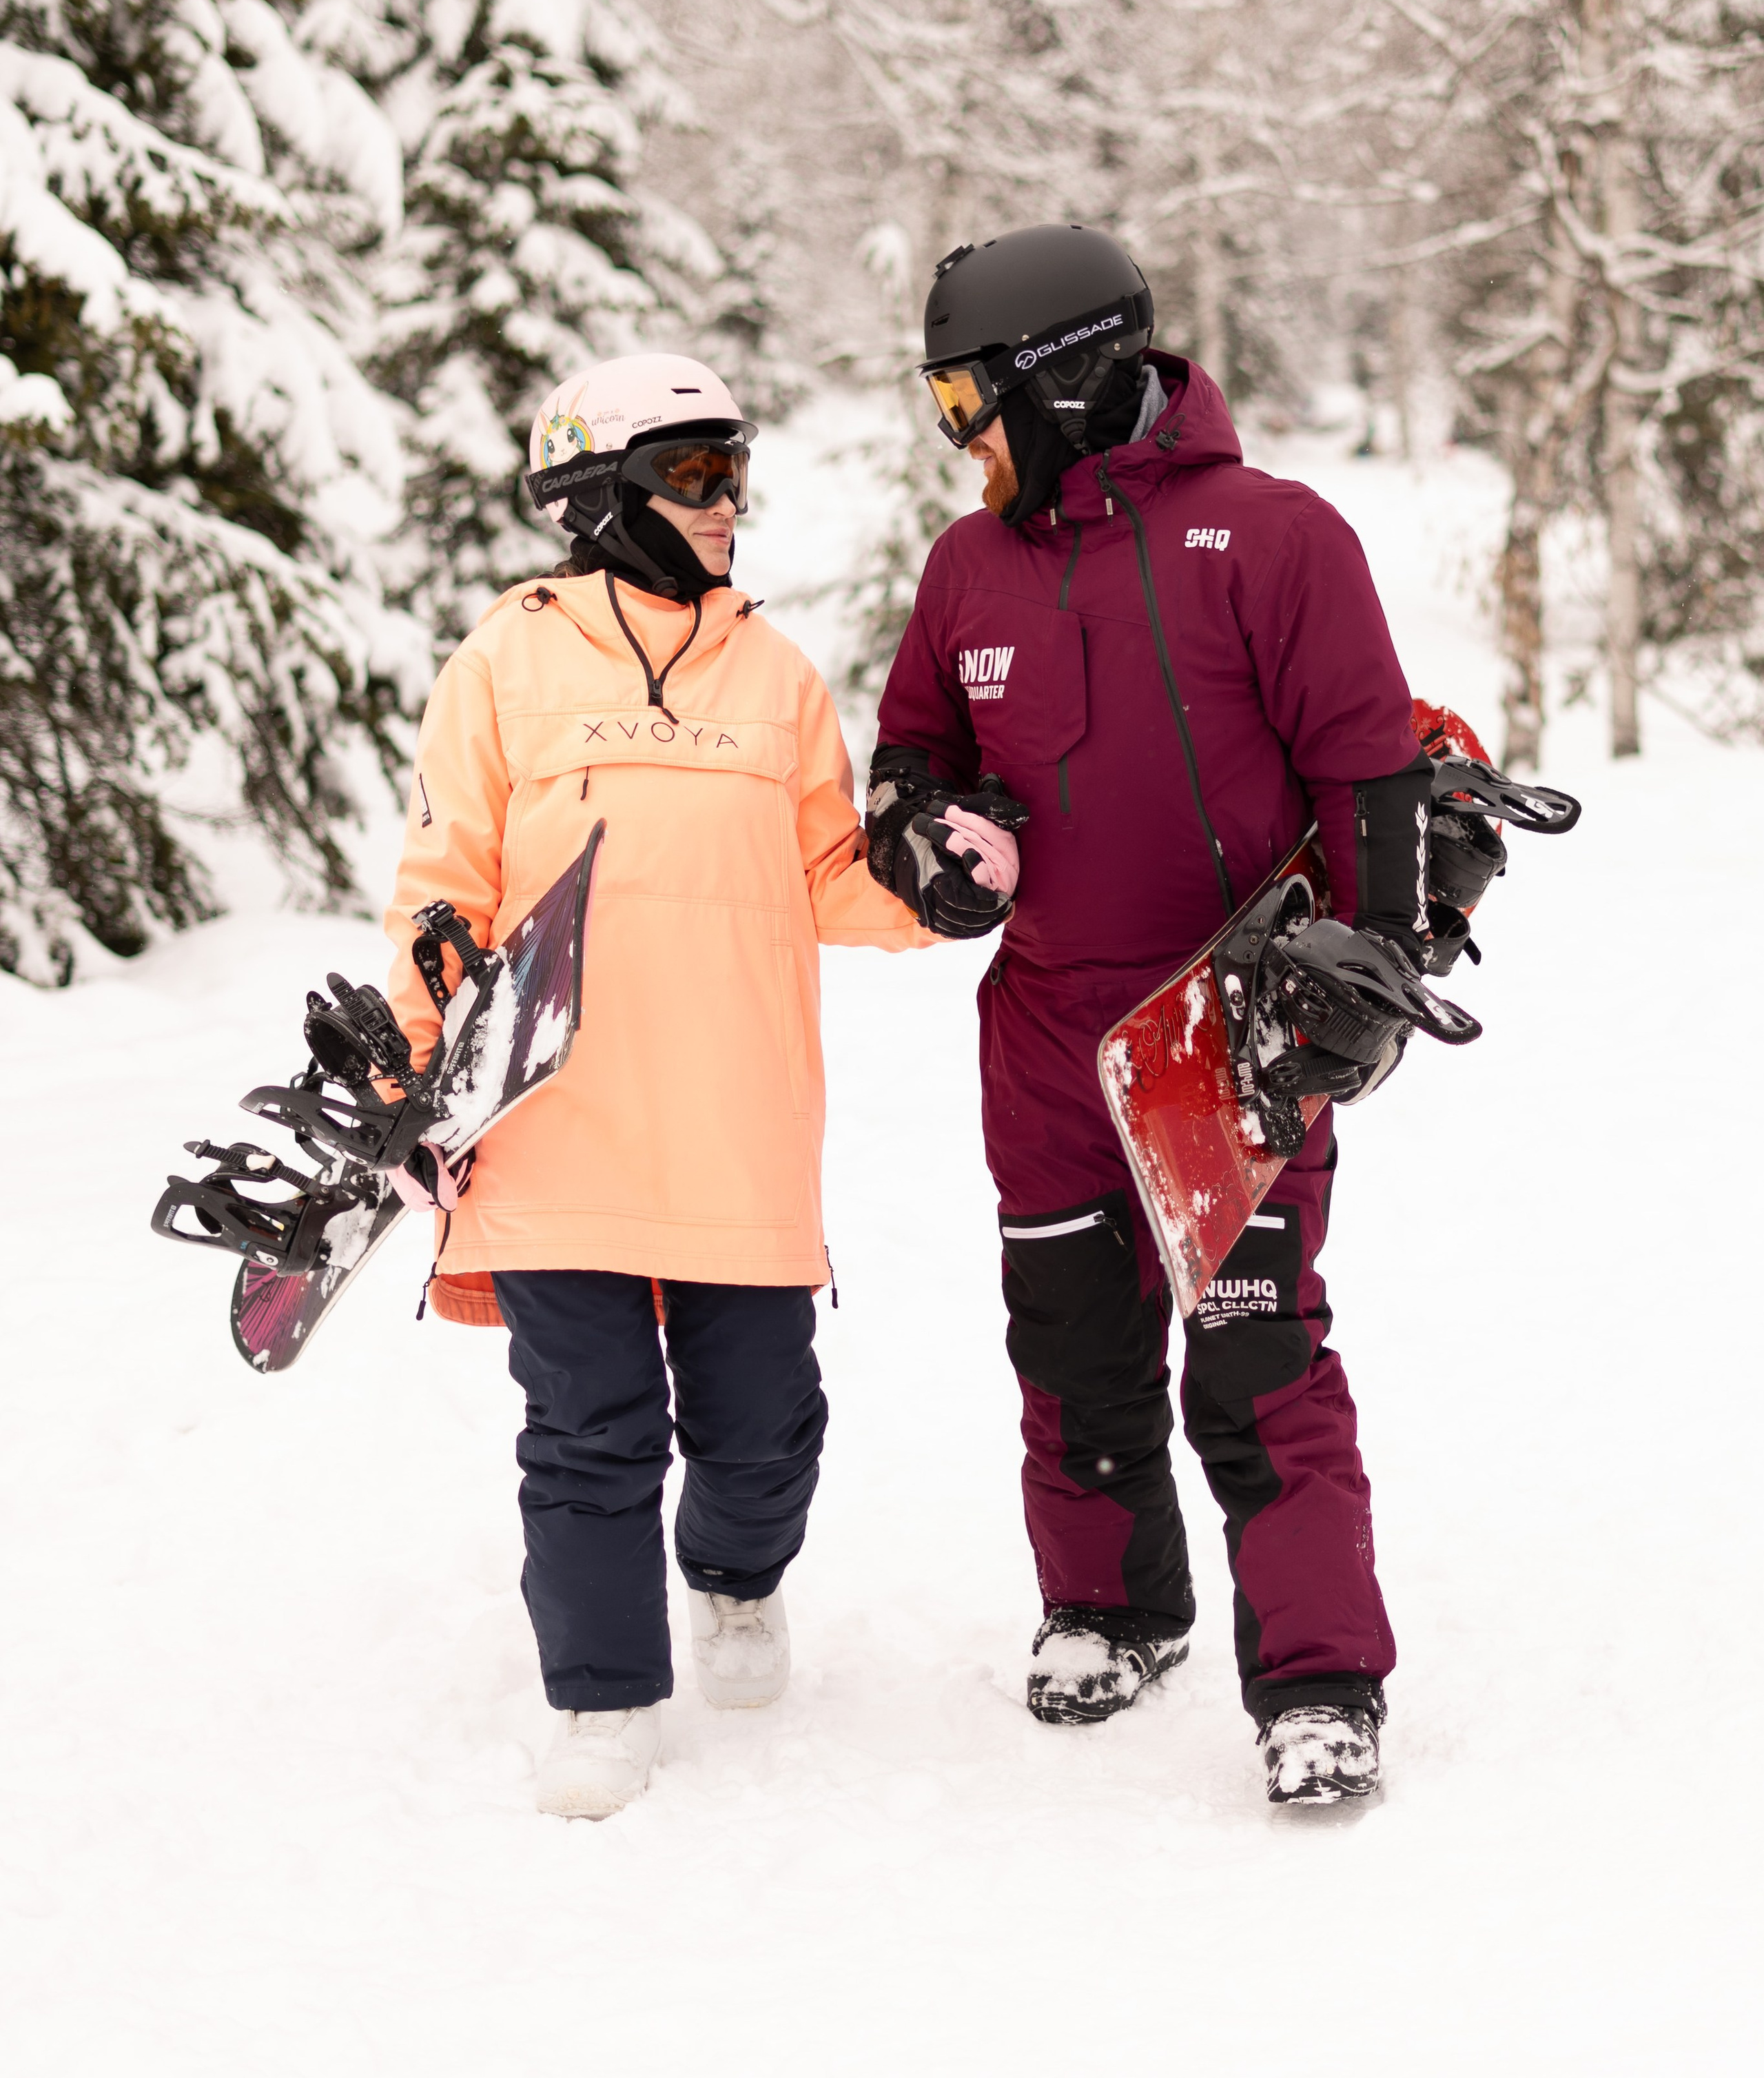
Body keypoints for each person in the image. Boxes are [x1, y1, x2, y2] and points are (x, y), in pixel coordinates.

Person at [380, 354, 1018, 1819]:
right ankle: (600, 1699)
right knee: (587, 1426)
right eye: (694, 474)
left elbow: (825, 880)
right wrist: (423, 1075)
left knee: (761, 1422)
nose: (729, 504)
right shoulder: (504, 658)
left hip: (735, 1121)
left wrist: (934, 897)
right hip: (555, 1125)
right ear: (599, 490)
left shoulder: (774, 673)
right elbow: (439, 885)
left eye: (735, 471)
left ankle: (734, 1578)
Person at [865, 225, 1436, 1806]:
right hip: (1042, 1032)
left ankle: (1321, 1680)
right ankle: (1109, 1608)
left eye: (965, 397)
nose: (954, 434)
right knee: (1067, 1343)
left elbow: (1366, 764)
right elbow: (910, 758)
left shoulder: (1269, 535)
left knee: (1250, 1359)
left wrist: (1367, 968)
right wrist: (922, 843)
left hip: (1226, 1022)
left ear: (1058, 371)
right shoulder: (966, 566)